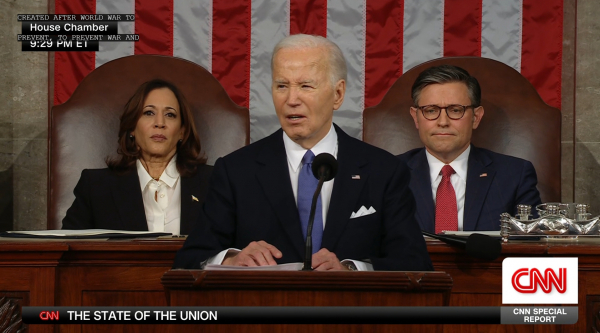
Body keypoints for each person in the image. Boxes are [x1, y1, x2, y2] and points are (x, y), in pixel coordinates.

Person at [174, 34, 432, 271]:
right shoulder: (235, 171)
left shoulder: (383, 170)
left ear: (338, 94)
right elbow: (189, 260)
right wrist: (230, 259)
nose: (291, 99)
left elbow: (415, 264)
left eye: (306, 86)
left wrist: (352, 270)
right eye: (281, 86)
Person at [397, 65, 542, 233]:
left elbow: (531, 247)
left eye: (456, 110)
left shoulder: (515, 175)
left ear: (476, 117)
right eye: (431, 110)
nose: (443, 122)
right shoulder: (388, 174)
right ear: (416, 118)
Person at [62, 79, 212, 235]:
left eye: (170, 114)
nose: (160, 123)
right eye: (149, 113)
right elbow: (67, 251)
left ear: (182, 131)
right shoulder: (95, 187)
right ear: (132, 127)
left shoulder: (214, 182)